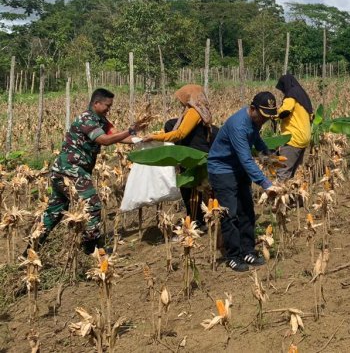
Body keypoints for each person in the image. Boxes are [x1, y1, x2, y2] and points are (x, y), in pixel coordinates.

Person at [36, 88, 147, 254]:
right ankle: (91, 248)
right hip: (70, 170)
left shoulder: (101, 120)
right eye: (107, 106)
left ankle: (32, 248)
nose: (109, 109)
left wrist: (142, 139)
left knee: (55, 212)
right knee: (92, 204)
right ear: (96, 103)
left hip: (66, 171)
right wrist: (131, 130)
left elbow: (118, 136)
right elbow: (104, 140)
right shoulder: (86, 119)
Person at [207, 91, 278, 272]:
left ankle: (248, 251)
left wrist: (267, 152)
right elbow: (246, 159)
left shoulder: (255, 121)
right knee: (230, 214)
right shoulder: (238, 125)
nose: (264, 121)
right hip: (222, 170)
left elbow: (256, 138)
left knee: (247, 210)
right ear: (252, 108)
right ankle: (233, 256)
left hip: (238, 168)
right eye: (262, 117)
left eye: (267, 118)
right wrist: (266, 184)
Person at [143, 85, 217, 224]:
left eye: (181, 98)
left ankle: (196, 222)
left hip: (193, 156)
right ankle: (200, 219)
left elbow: (180, 133)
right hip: (196, 153)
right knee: (197, 190)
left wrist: (155, 138)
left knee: (192, 191)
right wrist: (159, 135)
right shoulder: (200, 110)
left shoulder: (194, 112)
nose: (180, 101)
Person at [274, 74, 313, 181]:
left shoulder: (291, 95)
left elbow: (285, 111)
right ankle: (292, 196)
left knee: (283, 172)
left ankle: (278, 195)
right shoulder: (303, 96)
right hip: (304, 138)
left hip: (292, 139)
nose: (283, 91)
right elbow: (311, 116)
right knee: (295, 173)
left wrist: (274, 115)